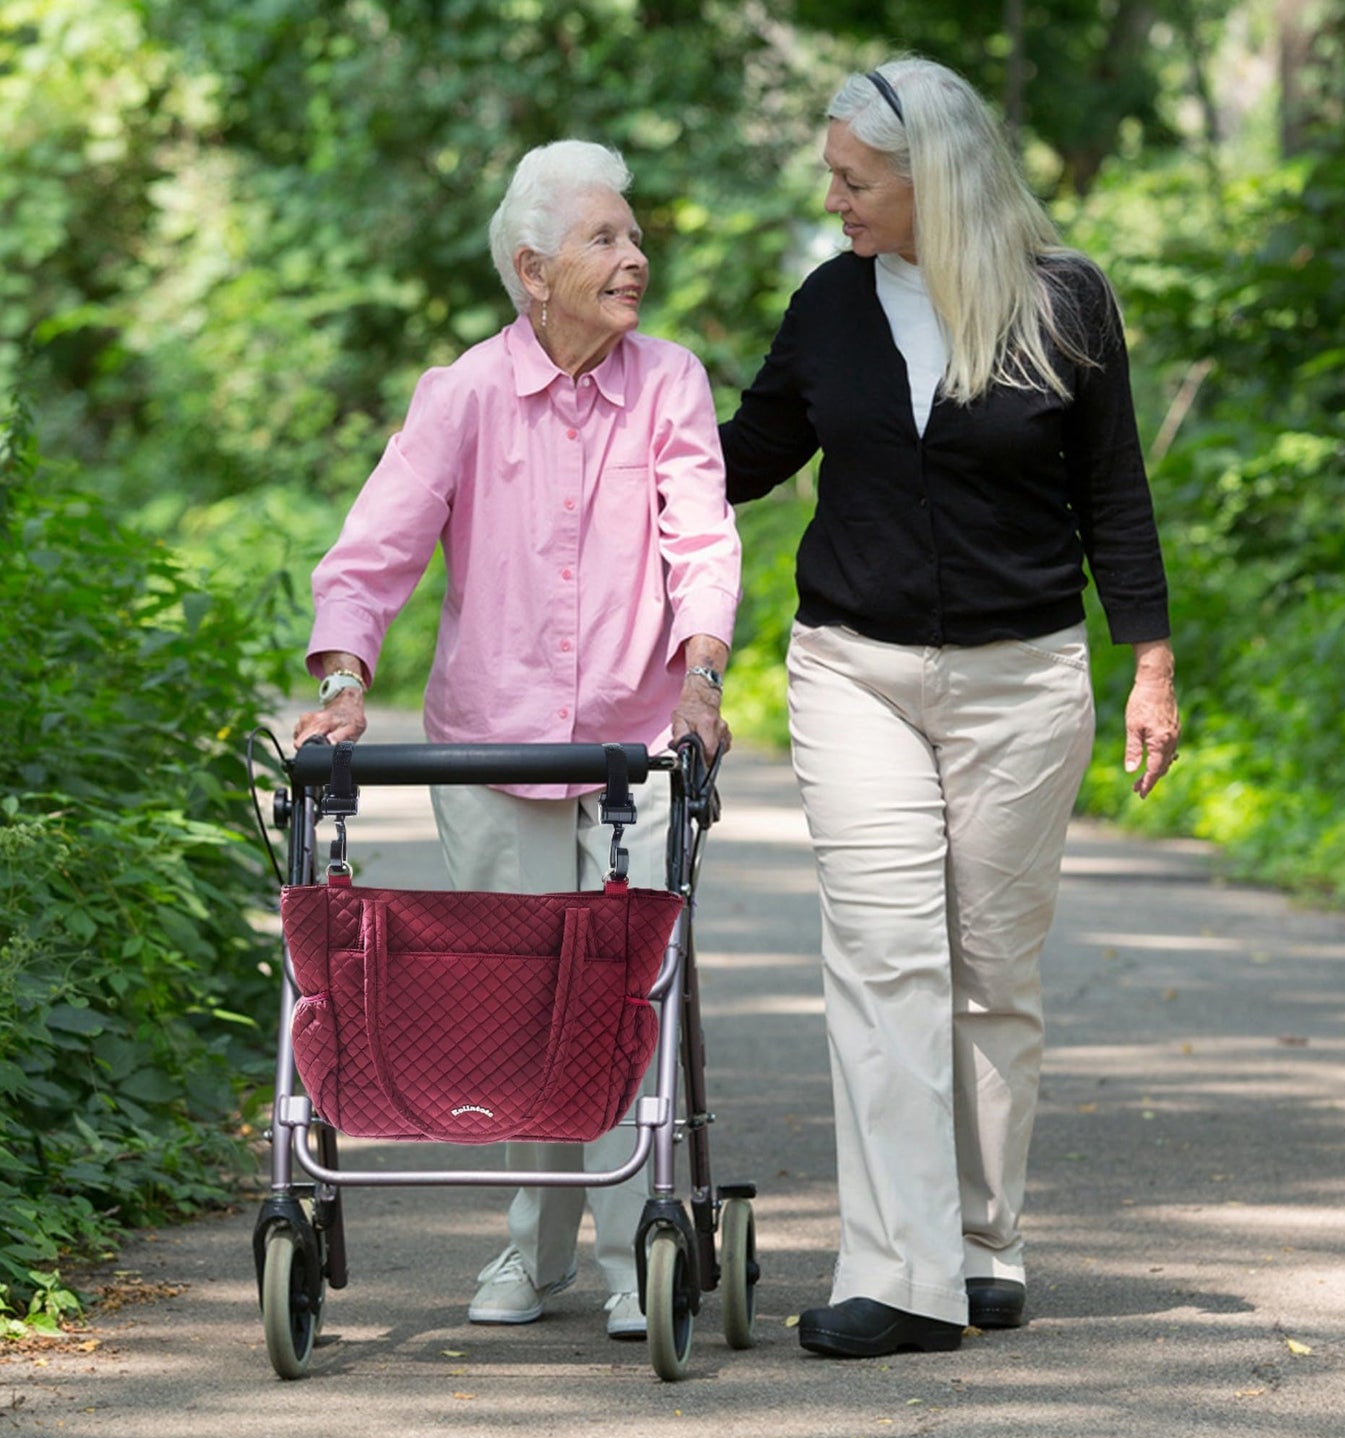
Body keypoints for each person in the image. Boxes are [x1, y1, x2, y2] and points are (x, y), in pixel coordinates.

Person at [720, 57, 1179, 1359]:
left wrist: (1149, 664)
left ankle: (983, 1246)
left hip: (1022, 684)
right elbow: (741, 459)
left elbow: (1114, 495)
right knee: (886, 961)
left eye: (855, 179)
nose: (835, 195)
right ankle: (901, 1273)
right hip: (854, 670)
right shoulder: (829, 303)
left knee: (990, 976)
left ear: (936, 179)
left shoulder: (1063, 302)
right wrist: (610, 426)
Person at [292, 139, 741, 1342]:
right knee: (516, 1004)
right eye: (607, 238)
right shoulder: (461, 396)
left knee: (612, 997)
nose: (635, 256)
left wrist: (701, 673)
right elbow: (373, 550)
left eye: (636, 235)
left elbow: (700, 537)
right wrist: (342, 678)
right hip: (486, 756)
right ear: (532, 270)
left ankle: (623, 1248)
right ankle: (525, 1246)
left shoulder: (669, 382)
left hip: (631, 750)